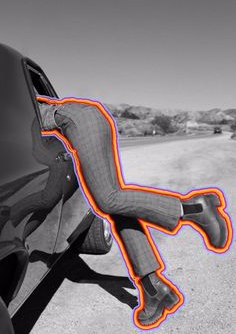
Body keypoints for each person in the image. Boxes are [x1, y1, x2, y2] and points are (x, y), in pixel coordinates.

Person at [38, 98, 231, 329]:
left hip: (78, 121)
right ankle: (154, 289)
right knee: (119, 206)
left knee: (107, 199)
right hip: (87, 118)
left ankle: (193, 209)